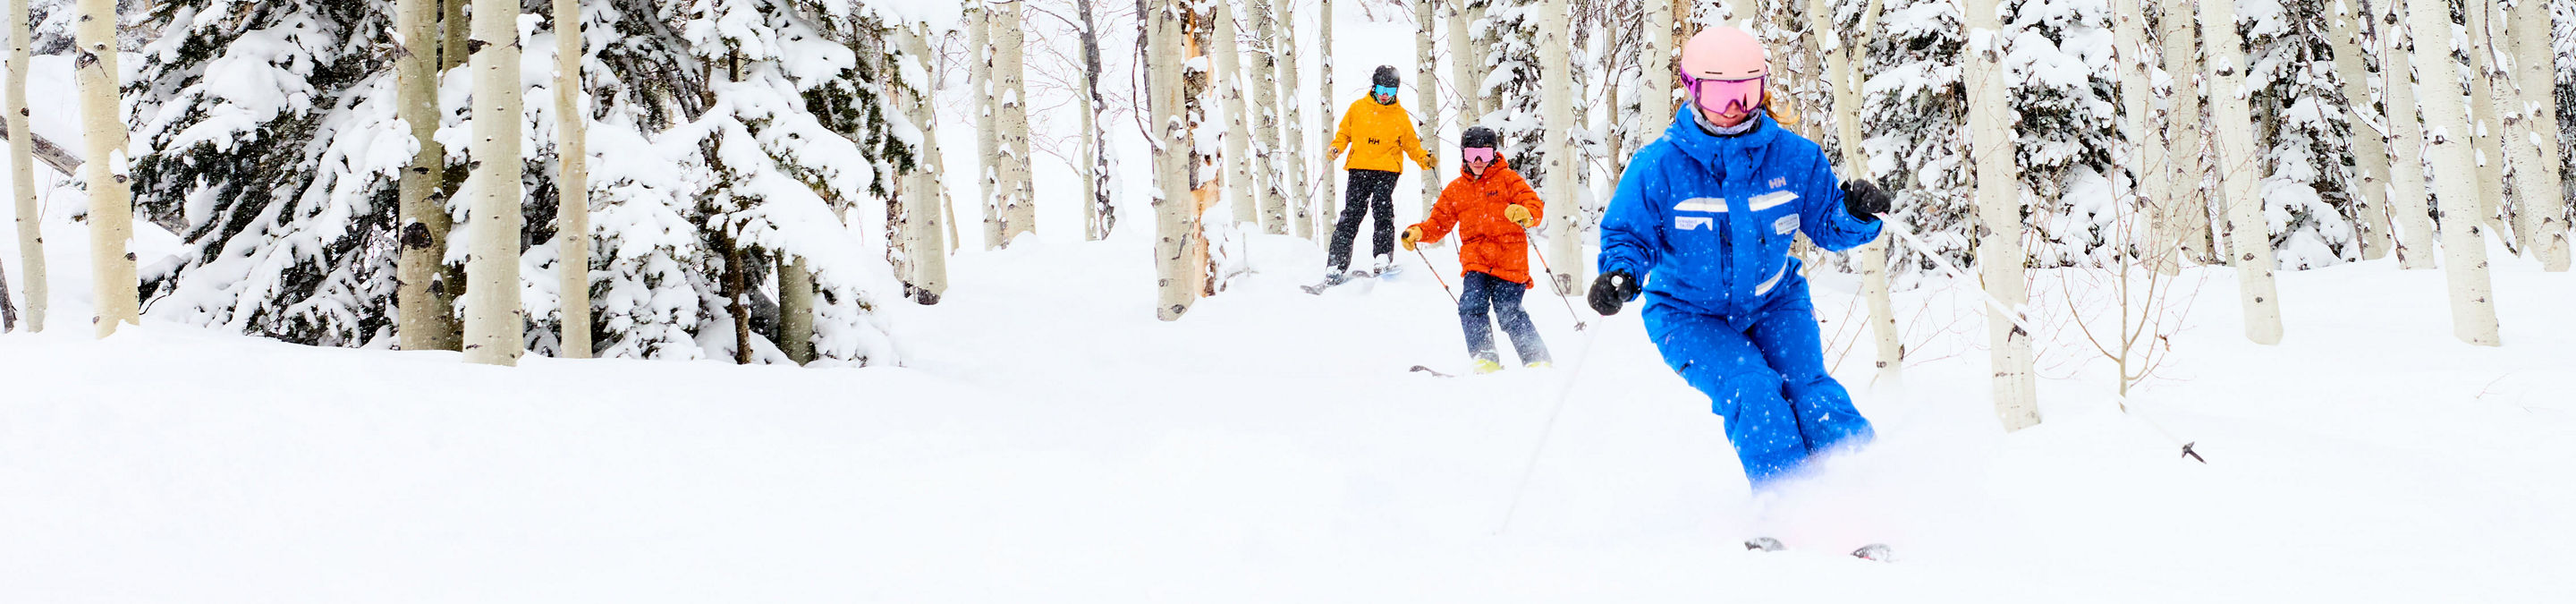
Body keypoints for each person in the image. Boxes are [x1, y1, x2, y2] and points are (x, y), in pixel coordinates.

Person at [1589, 26, 1895, 489]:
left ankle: (1862, 490)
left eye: (1746, 93)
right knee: (1752, 390)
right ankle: (1789, 502)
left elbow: (1829, 226)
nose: (1734, 110)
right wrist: (1620, 273)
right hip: (1689, 313)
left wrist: (1855, 213)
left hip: (1775, 299)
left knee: (1811, 389)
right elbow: (1628, 235)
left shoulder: (1795, 158)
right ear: (1691, 89)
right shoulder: (1659, 166)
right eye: (1718, 95)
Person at [1402, 127, 1552, 374]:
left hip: (1509, 261)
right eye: (1473, 154)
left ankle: (1537, 359)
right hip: (1476, 263)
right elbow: (1438, 223)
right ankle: (1485, 359)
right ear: (1464, 156)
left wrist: (1526, 213)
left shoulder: (1508, 179)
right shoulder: (1457, 189)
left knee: (1509, 312)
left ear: (1494, 153)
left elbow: (1533, 204)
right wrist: (1419, 231)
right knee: (1470, 306)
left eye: (1484, 153)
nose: (1479, 161)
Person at [1321, 65, 1436, 285]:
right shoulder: (1358, 108)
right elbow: (1344, 132)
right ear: (1374, 87)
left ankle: (1382, 256)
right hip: (1360, 167)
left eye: (1391, 91)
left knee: (1382, 209)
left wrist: (1423, 159)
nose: (1385, 95)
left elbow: (1412, 145)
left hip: (1386, 169)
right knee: (1352, 214)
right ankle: (1336, 264)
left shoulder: (1400, 116)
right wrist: (1337, 147)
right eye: (1382, 89)